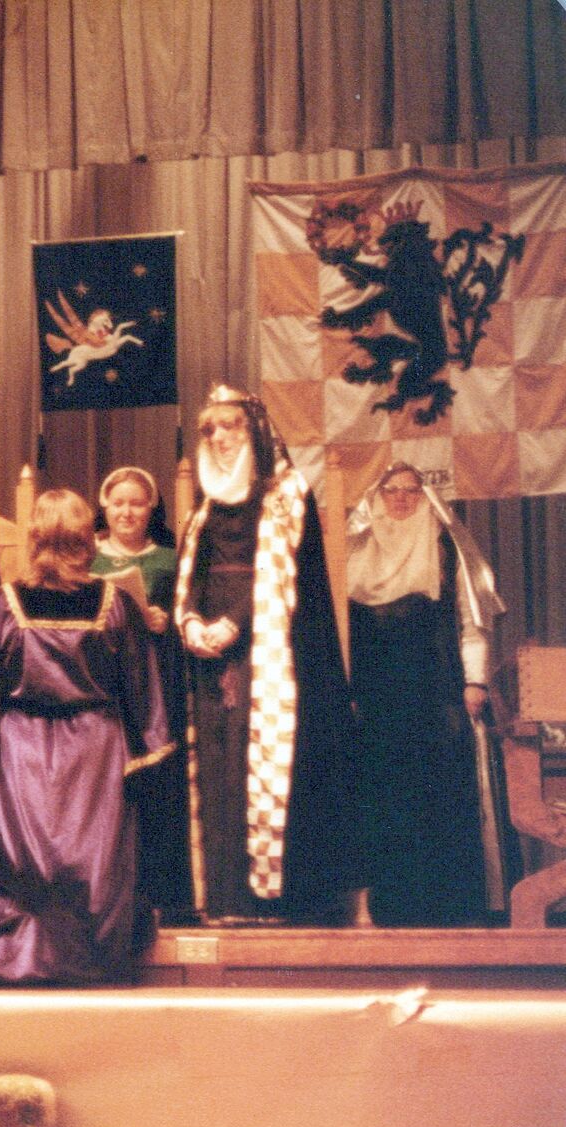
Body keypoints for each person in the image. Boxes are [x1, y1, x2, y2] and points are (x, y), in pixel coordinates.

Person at [0, 488, 171, 986]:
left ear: (34, 537)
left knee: (25, 865)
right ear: (85, 539)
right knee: (90, 862)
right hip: (95, 749)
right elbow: (143, 690)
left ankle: (15, 956)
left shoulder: (2, 604)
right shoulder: (115, 604)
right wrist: (148, 753)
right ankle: (89, 961)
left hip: (22, 749)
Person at [173, 385, 363, 922]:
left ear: (254, 430)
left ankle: (266, 901)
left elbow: (284, 582)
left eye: (230, 426)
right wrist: (190, 621)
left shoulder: (285, 495)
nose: (219, 438)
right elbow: (191, 575)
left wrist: (234, 623)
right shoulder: (206, 508)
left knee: (259, 766)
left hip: (268, 655)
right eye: (210, 429)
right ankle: (221, 899)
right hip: (209, 657)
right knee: (216, 768)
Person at [347, 461, 509, 926]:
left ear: (426, 496)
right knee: (382, 798)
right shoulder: (356, 549)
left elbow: (471, 621)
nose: (401, 498)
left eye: (412, 490)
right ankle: (388, 908)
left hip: (434, 694)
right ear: (377, 497)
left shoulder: (444, 546)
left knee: (437, 799)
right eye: (392, 490)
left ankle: (445, 908)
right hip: (375, 698)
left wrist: (475, 680)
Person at [91, 466, 193, 921]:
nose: (127, 512)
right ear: (105, 507)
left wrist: (164, 620)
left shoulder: (169, 560)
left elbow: (188, 610)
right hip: (105, 678)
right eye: (118, 503)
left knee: (155, 778)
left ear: (152, 508)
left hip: (154, 675)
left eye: (136, 503)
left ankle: (158, 890)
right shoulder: (88, 558)